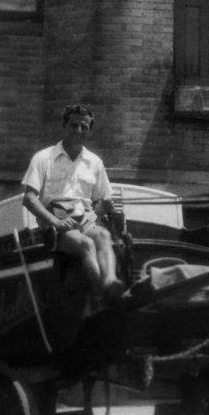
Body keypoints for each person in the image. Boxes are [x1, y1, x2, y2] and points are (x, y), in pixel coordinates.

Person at [22, 104, 124, 303]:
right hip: (55, 225)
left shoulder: (95, 162)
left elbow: (101, 201)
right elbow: (29, 198)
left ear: (89, 131)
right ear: (64, 126)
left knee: (103, 235)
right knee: (85, 244)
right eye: (74, 125)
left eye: (84, 127)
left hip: (85, 218)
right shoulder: (43, 158)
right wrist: (55, 221)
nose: (78, 130)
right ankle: (103, 295)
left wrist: (106, 206)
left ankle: (111, 282)